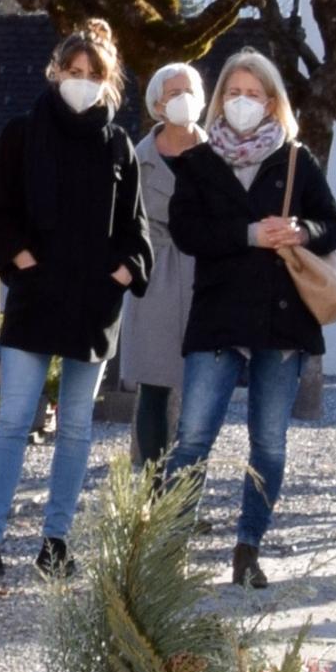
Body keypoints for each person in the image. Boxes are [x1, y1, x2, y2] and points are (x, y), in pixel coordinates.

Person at [0, 23, 150, 584]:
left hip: (94, 307)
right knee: (13, 420)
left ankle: (56, 541)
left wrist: (121, 275)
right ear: (56, 72)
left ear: (108, 81)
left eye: (93, 74)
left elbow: (137, 231)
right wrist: (22, 263)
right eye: (73, 71)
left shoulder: (118, 145)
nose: (81, 82)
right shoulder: (22, 133)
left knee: (76, 428)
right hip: (35, 300)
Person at [164, 45, 336, 589]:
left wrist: (302, 231)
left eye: (254, 93)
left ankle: (249, 546)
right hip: (218, 316)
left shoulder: (296, 159)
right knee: (193, 437)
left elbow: (334, 225)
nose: (243, 102)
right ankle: (168, 552)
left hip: (281, 319)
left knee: (269, 443)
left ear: (272, 101)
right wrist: (247, 235)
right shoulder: (199, 161)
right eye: (235, 92)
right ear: (220, 99)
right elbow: (186, 231)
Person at [118, 62, 207, 467]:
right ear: (157, 104)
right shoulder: (138, 158)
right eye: (174, 93)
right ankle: (152, 486)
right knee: (154, 387)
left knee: (202, 390)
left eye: (189, 91)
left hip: (206, 274)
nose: (183, 100)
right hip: (155, 275)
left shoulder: (219, 155)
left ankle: (188, 485)